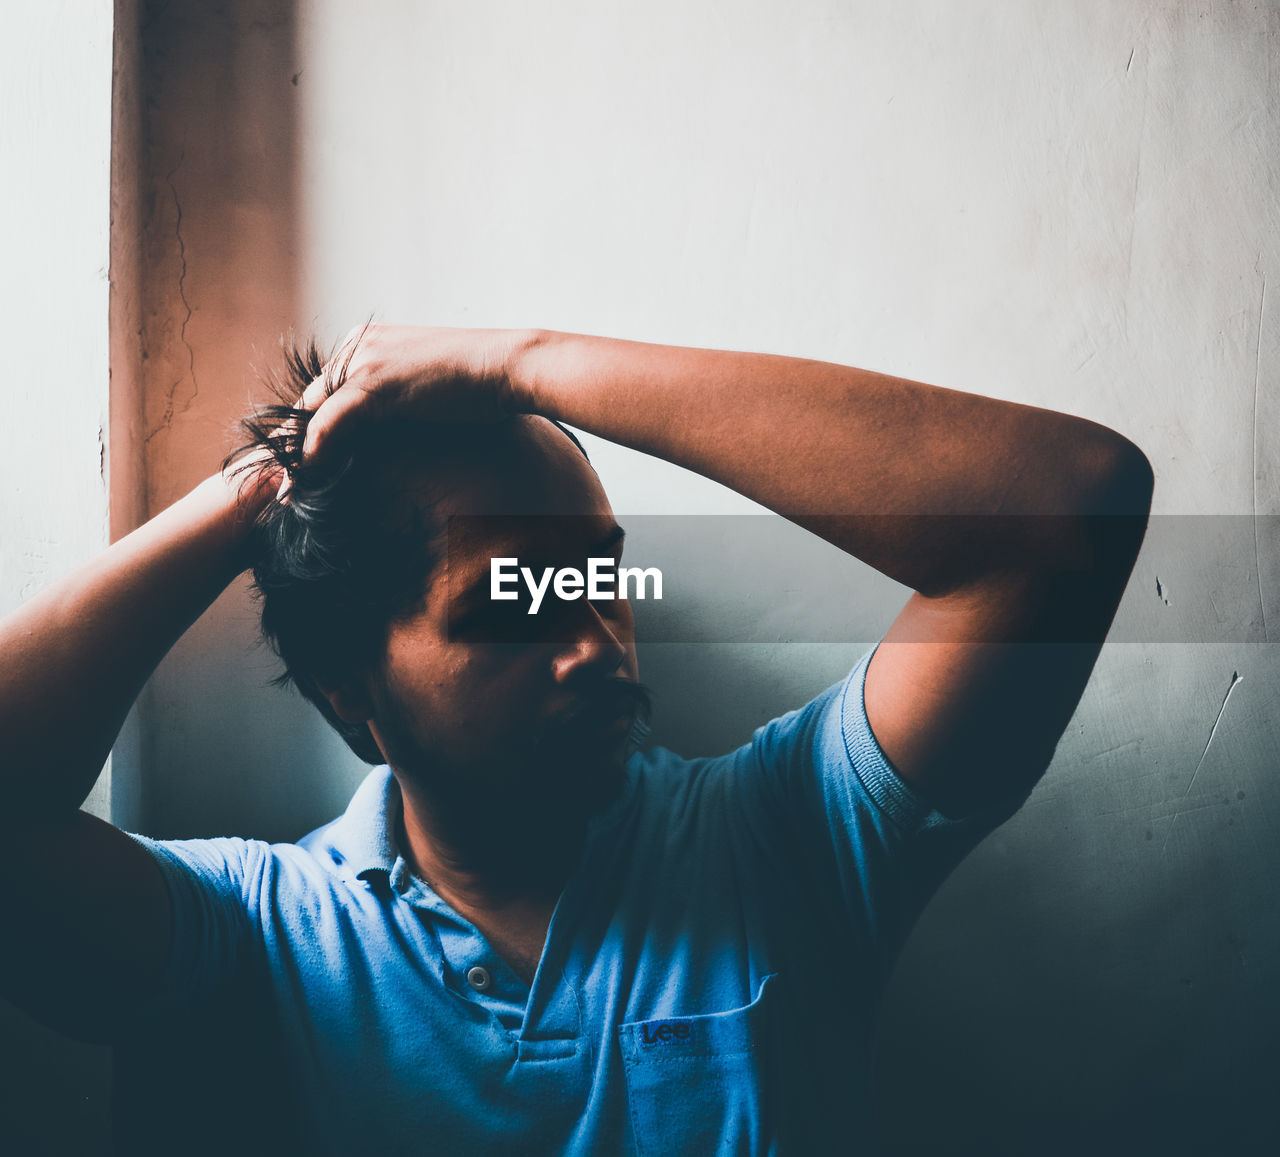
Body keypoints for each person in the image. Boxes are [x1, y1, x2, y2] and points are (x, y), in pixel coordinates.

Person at [0, 325, 1152, 1154]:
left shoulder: (780, 837)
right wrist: (273, 481)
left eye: (603, 577)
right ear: (356, 698)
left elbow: (1069, 508)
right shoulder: (266, 936)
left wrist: (526, 360)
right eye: (514, 604)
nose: (596, 644)